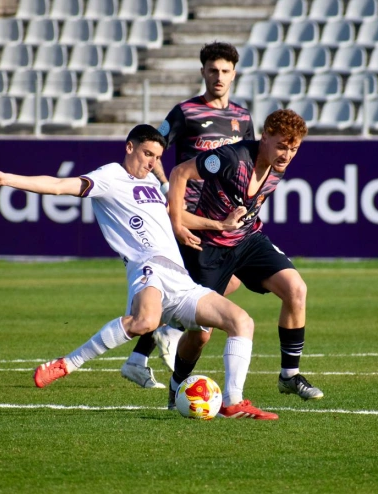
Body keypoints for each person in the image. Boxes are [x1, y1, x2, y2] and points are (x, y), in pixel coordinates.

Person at [0, 124, 278, 420]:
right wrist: (7, 179)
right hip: (148, 266)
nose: (151, 162)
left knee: (241, 321)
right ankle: (67, 364)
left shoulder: (152, 185)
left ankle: (233, 402)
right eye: (147, 154)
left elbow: (178, 216)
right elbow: (58, 186)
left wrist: (220, 225)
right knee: (145, 322)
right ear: (129, 147)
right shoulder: (110, 176)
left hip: (180, 278)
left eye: (157, 157)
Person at [166, 109, 324, 407]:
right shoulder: (230, 158)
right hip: (209, 248)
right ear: (264, 137)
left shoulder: (277, 167)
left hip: (248, 240)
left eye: (294, 149)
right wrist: (177, 223)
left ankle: (289, 375)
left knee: (296, 289)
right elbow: (180, 172)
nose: (287, 155)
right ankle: (176, 387)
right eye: (281, 146)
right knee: (200, 335)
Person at [120, 41, 255, 389]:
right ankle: (165, 335)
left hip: (221, 216)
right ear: (203, 72)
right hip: (189, 215)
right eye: (213, 70)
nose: (219, 77)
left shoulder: (243, 118)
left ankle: (144, 352)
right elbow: (154, 147)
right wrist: (167, 186)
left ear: (234, 74)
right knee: (198, 288)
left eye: (225, 71)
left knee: (226, 281)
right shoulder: (185, 112)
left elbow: (250, 165)